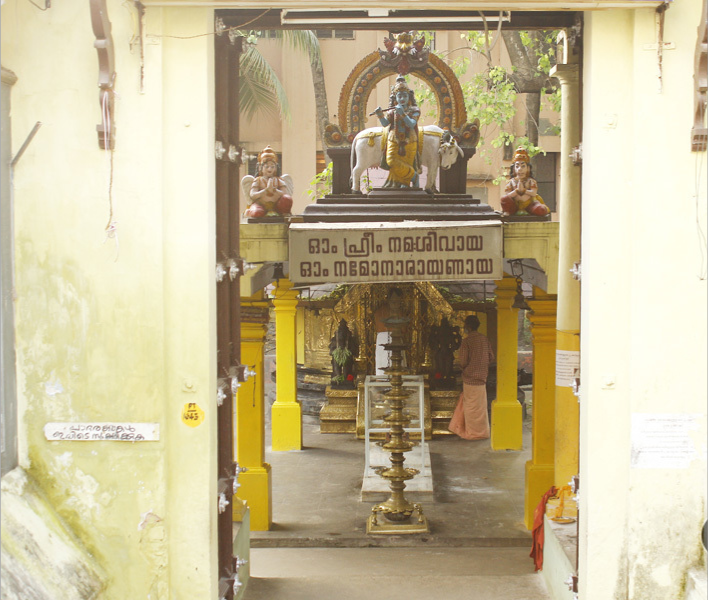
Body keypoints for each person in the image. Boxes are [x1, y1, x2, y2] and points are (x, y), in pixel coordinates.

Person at [448, 314, 495, 440]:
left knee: (470, 406)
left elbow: (463, 360)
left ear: (467, 326)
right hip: (482, 377)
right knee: (480, 406)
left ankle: (473, 433)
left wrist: (466, 368)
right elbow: (491, 357)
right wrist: (481, 364)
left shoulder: (467, 341)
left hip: (469, 378)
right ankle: (482, 432)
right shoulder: (484, 339)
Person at [373, 76, 421, 189]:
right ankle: (414, 176)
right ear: (395, 98)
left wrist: (402, 114)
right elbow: (385, 124)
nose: (402, 98)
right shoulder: (392, 111)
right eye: (399, 96)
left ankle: (405, 183)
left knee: (407, 162)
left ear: (409, 97)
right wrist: (380, 115)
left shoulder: (414, 110)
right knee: (391, 161)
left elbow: (411, 124)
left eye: (405, 95)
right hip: (393, 138)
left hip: (410, 140)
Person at [242, 145, 293, 218]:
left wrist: (274, 190)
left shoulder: (278, 180)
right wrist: (265, 190)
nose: (270, 169)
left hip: (276, 206)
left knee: (287, 199)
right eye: (266, 166)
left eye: (272, 166)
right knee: (257, 213)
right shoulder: (258, 180)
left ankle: (283, 213)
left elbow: (285, 193)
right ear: (260, 168)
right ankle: (251, 212)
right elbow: (253, 195)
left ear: (276, 168)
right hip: (261, 205)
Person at [500, 147, 550, 217]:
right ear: (513, 169)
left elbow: (533, 193)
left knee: (541, 210)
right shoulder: (511, 182)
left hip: (529, 204)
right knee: (503, 199)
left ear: (528, 168)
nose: (520, 169)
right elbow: (508, 196)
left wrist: (524, 190)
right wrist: (516, 191)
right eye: (517, 166)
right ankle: (508, 212)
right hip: (515, 205)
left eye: (523, 166)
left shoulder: (531, 181)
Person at [373, 286, 407, 375]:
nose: (396, 304)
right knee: (384, 361)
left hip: (398, 338)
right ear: (388, 300)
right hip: (383, 339)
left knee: (398, 363)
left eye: (398, 301)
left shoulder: (401, 313)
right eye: (393, 301)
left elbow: (403, 329)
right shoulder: (379, 312)